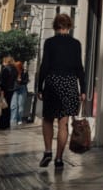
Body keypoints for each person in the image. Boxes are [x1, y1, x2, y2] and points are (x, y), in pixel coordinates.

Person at [37, 13, 86, 169]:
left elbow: (44, 65)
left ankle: (47, 151)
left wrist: (39, 86)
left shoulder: (50, 43)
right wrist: (83, 88)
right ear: (69, 26)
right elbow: (80, 67)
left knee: (48, 119)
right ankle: (59, 159)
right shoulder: (76, 44)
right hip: (70, 83)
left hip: (53, 81)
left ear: (55, 26)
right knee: (63, 122)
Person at [0, 56, 18, 130]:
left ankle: (2, 124)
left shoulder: (5, 69)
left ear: (6, 61)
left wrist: (1, 90)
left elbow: (2, 81)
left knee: (3, 106)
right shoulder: (15, 69)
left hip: (4, 90)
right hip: (11, 90)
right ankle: (7, 124)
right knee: (7, 106)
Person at [10, 60, 29, 126]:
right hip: (15, 89)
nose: (16, 68)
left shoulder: (25, 72)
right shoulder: (14, 72)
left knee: (20, 105)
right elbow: (11, 80)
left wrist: (20, 81)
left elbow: (26, 81)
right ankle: (13, 119)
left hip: (22, 88)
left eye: (17, 66)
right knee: (14, 105)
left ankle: (19, 119)